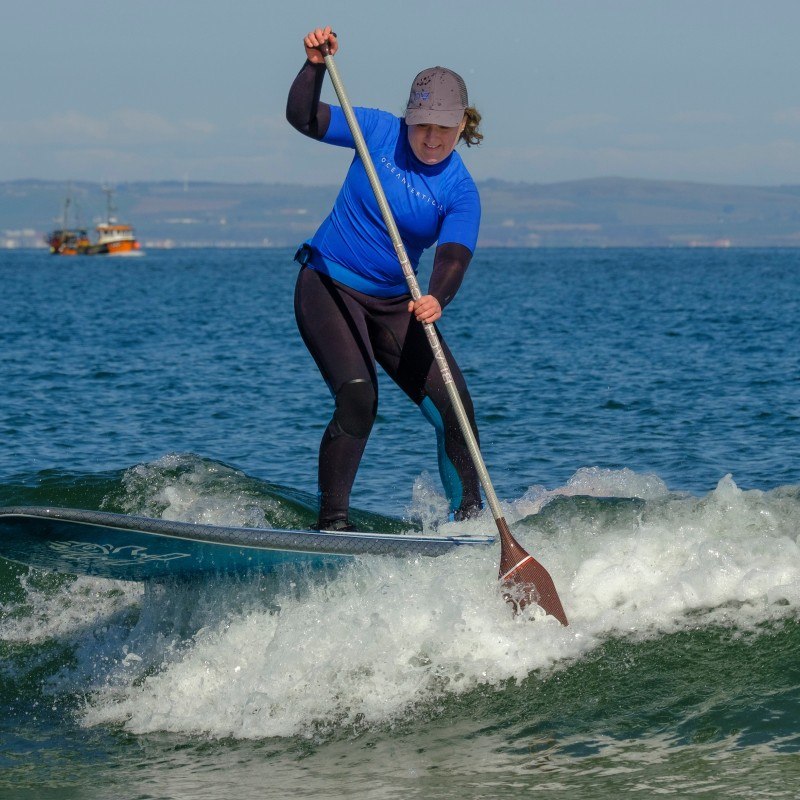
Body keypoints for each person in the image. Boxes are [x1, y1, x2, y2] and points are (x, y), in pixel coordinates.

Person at [287, 26, 485, 532]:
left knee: (456, 410)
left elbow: (455, 254)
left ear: (462, 124)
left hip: (399, 303)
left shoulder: (460, 190)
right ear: (409, 117)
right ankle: (332, 526)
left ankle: (469, 528)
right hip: (329, 285)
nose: (432, 139)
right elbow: (303, 118)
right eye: (423, 127)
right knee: (358, 395)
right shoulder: (375, 130)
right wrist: (313, 68)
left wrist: (438, 296)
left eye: (444, 129)